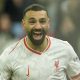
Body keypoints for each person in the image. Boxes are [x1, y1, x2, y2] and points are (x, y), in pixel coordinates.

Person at [0, 4, 80, 80]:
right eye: (32, 22)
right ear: (23, 24)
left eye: (42, 21)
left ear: (48, 24)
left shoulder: (65, 49)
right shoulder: (9, 55)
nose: (38, 27)